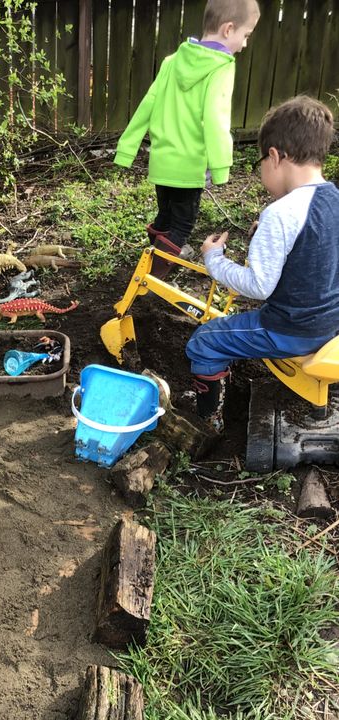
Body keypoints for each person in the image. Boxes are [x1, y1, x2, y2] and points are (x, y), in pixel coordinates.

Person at [186, 96, 339, 431]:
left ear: (274, 156)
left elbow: (259, 286)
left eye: (260, 165)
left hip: (290, 329)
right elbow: (316, 251)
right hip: (329, 323)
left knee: (204, 341)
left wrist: (213, 259)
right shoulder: (333, 199)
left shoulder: (281, 213)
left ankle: (207, 420)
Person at [114, 0, 260, 276]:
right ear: (229, 29)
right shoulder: (221, 67)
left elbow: (147, 104)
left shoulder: (172, 62)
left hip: (161, 164)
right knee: (182, 225)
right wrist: (221, 168)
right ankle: (152, 279)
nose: (244, 44)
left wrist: (127, 147)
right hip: (188, 168)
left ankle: (156, 254)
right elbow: (216, 119)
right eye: (246, 35)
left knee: (166, 216)